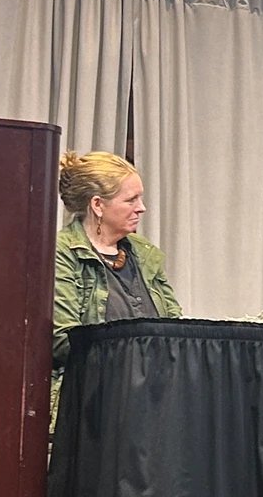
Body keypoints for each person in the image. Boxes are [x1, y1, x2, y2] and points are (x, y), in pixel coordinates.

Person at [54, 151, 181, 367]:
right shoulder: (62, 253)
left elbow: (176, 326)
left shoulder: (144, 251)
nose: (142, 208)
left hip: (154, 388)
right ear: (98, 205)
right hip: (91, 392)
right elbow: (63, 341)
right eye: (131, 200)